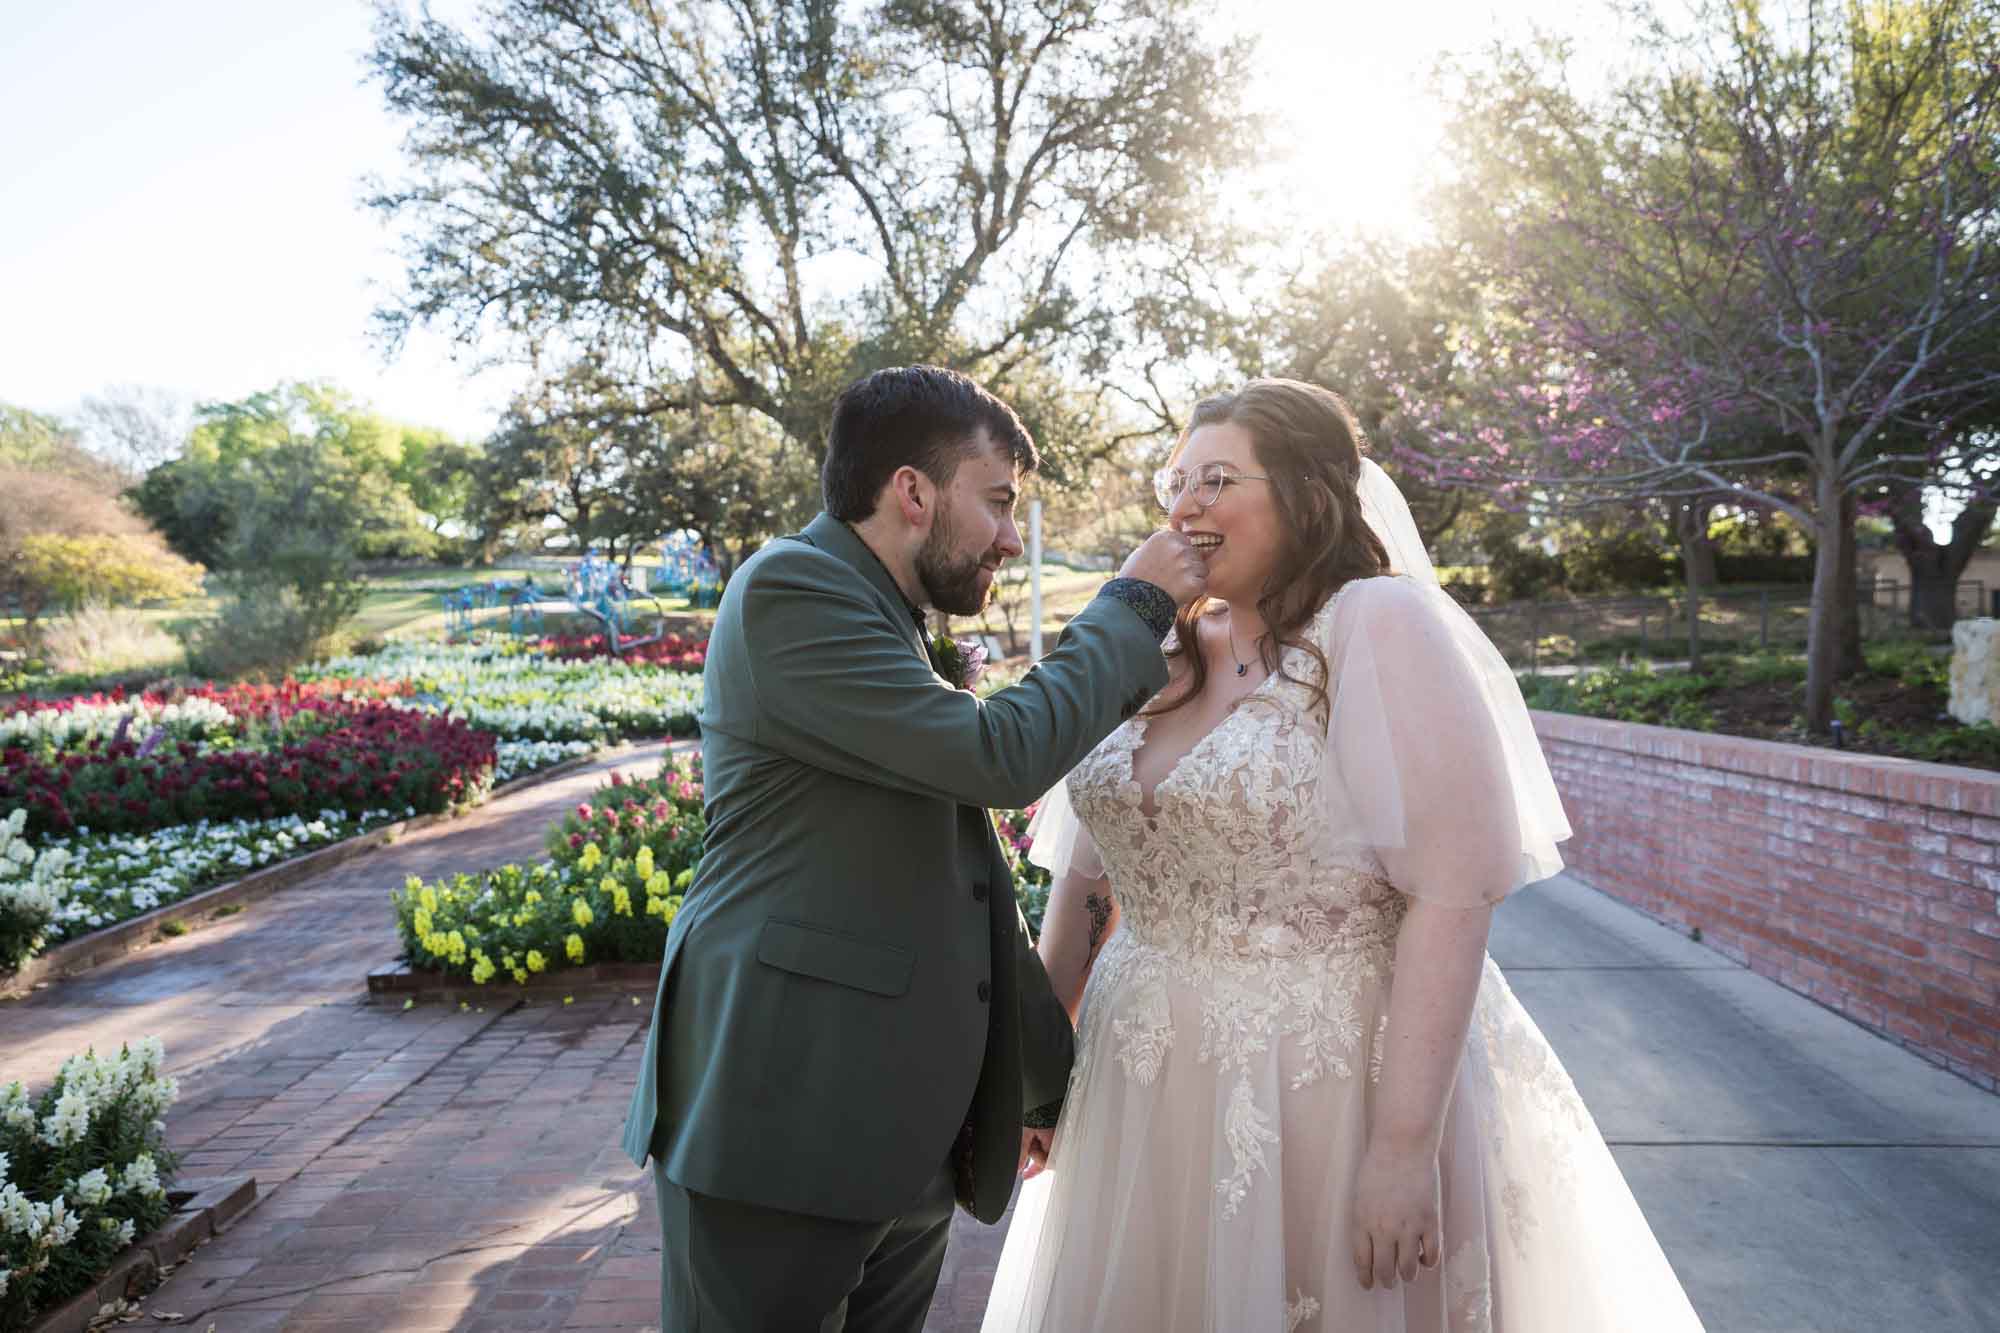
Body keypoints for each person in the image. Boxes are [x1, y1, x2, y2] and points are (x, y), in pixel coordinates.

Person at [981, 378, 1708, 1331]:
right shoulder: (1151, 646)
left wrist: (1402, 1147)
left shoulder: (1377, 624)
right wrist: (1037, 1072)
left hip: (1317, 1089)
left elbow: (1453, 893)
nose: (1185, 504)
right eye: (1175, 481)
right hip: (1135, 1081)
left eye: (1218, 479)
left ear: (1305, 492)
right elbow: (1087, 878)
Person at [620, 365, 1209, 1332]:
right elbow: (998, 755)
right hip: (780, 1115)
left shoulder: (891, 618)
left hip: (902, 1137)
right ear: (913, 491)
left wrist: (1033, 1071)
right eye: (998, 502)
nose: (1012, 538)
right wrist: (1136, 604)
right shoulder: (791, 591)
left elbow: (960, 872)